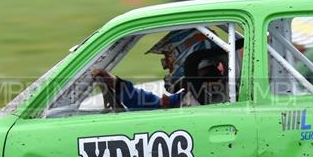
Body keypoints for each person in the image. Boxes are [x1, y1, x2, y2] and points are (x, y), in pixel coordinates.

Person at [91, 49, 229, 110]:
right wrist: (117, 83)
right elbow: (152, 103)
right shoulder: (187, 94)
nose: (169, 67)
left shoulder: (218, 95)